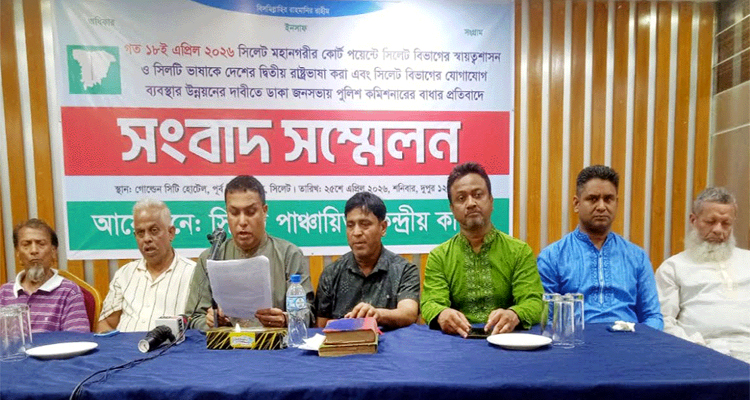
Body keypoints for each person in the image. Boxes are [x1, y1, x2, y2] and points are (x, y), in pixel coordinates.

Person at [421, 162, 543, 338]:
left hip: (507, 340)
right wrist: (442, 314)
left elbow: (534, 301)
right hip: (457, 342)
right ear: (452, 209)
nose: (471, 203)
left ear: (491, 201)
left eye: (478, 195)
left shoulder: (519, 251)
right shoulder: (439, 256)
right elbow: (430, 303)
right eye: (461, 198)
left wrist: (514, 314)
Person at [537, 165, 663, 329]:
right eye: (593, 199)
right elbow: (547, 319)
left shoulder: (637, 256)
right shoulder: (552, 257)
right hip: (576, 341)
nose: (602, 207)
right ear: (576, 203)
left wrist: (642, 341)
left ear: (616, 203)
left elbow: (653, 316)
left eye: (608, 199)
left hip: (629, 340)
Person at [185, 175, 314, 330]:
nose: (242, 222)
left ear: (264, 211)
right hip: (225, 344)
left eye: (251, 212)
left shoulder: (289, 255)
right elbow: (192, 319)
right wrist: (211, 322)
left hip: (275, 343)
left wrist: (286, 319)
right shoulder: (211, 257)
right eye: (234, 213)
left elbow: (308, 314)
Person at [655, 187, 750, 363]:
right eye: (710, 222)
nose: (718, 230)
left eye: (726, 223)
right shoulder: (673, 267)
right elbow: (663, 321)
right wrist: (696, 346)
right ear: (694, 220)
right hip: (700, 353)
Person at [315, 192, 420, 329]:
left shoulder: (404, 270)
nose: (356, 232)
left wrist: (377, 314)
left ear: (383, 228)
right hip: (344, 342)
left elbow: (409, 314)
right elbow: (321, 325)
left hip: (390, 342)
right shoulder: (332, 273)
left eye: (365, 224)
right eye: (350, 225)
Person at [98, 199, 196, 332]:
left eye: (154, 230)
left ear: (171, 233)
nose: (147, 239)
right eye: (140, 233)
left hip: (172, 345)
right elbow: (106, 324)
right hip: (124, 345)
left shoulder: (194, 274)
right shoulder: (124, 274)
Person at [0, 219, 89, 332]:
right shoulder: (4, 293)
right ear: (18, 253)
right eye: (26, 245)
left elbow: (77, 338)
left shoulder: (69, 292)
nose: (34, 250)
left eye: (41, 244)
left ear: (53, 251)